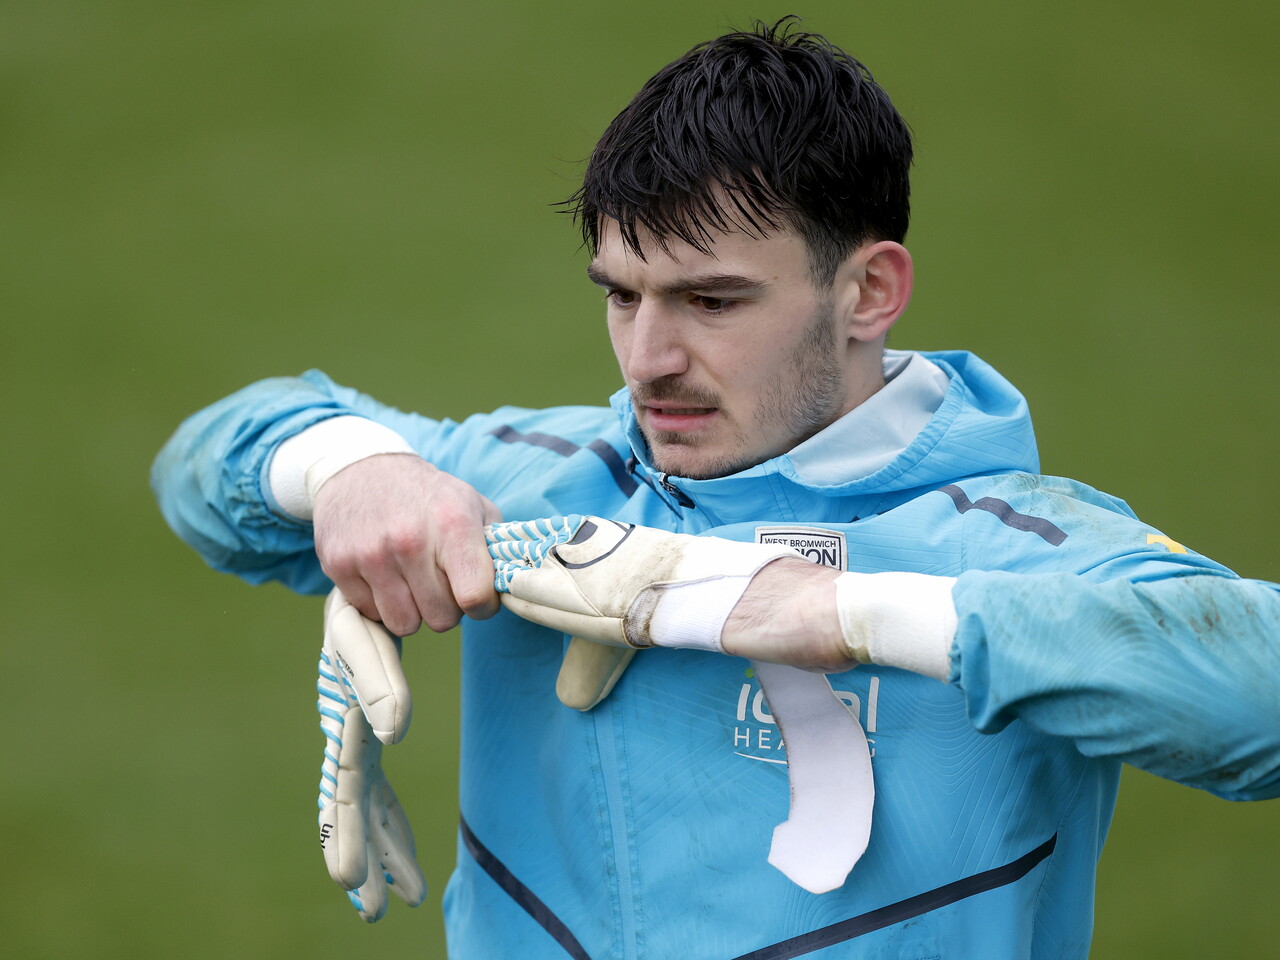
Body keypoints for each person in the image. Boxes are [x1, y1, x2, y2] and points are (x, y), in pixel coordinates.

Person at [151, 19, 1280, 959]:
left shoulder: (1006, 548)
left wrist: (845, 613)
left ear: (869, 291)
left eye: (711, 302)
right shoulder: (543, 485)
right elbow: (208, 464)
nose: (644, 359)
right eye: (621, 294)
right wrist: (355, 469)